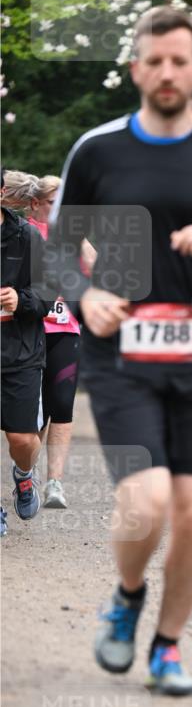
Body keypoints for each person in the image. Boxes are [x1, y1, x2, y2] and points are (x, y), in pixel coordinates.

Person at [48, 5, 192, 694]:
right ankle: (126, 599)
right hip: (123, 358)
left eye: (180, 60)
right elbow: (57, 254)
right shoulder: (97, 151)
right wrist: (85, 296)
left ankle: (168, 648)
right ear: (135, 69)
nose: (168, 72)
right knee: (147, 501)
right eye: (155, 61)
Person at [3, 171, 83, 509]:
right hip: (31, 333)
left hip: (46, 335)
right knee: (33, 423)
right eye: (54, 203)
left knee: (53, 412)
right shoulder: (29, 230)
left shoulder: (47, 236)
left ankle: (43, 480)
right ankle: (31, 480)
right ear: (35, 203)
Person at [1, 168, 49, 533]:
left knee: (21, 439)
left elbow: (47, 295)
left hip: (20, 351)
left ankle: (24, 473)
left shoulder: (27, 237)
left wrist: (21, 299)